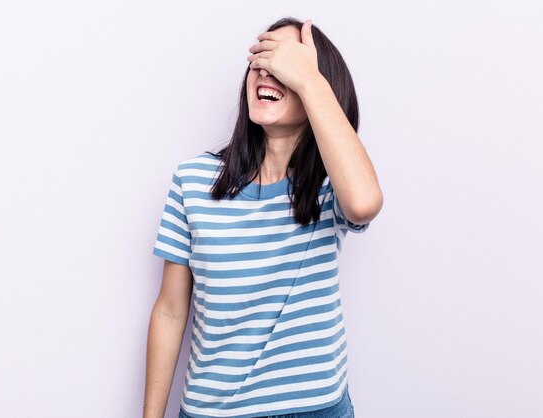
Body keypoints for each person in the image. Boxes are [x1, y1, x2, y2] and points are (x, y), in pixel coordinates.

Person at [143, 16, 383, 418]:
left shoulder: (329, 182)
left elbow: (363, 203)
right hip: (212, 410)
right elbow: (170, 310)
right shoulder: (193, 180)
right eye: (259, 61)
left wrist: (310, 80)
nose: (265, 73)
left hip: (316, 408)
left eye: (285, 65)